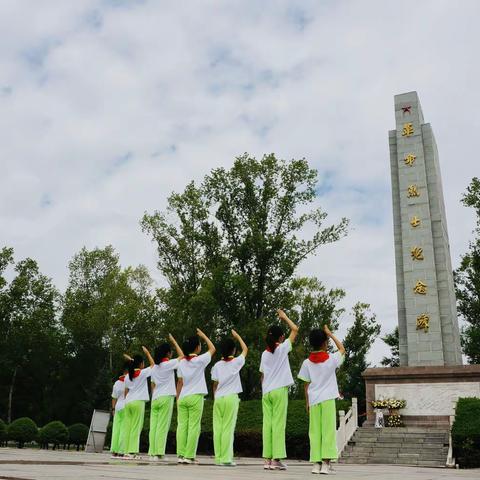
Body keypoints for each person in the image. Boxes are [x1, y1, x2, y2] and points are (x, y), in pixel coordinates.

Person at [298, 325, 345, 475]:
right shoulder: (331, 359)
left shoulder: (306, 362)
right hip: (327, 400)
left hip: (314, 401)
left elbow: (306, 384)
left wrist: (307, 403)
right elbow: (342, 349)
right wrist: (330, 334)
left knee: (315, 432)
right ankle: (326, 464)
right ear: (325, 343)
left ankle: (316, 465)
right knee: (328, 432)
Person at [260, 309, 298, 470]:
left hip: (266, 392)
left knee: (267, 424)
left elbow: (262, 375)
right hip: (279, 390)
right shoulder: (282, 348)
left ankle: (267, 460)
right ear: (281, 337)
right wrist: (284, 317)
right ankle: (276, 459)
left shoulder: (264, 353)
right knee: (278, 424)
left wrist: (264, 391)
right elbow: (295, 329)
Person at [176, 328, 216, 464]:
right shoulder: (200, 360)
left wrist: (177, 398)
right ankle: (189, 456)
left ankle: (181, 454)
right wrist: (204, 335)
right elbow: (212, 349)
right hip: (195, 397)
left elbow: (180, 382)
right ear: (197, 347)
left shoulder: (181, 362)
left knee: (182, 426)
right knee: (194, 426)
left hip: (182, 397)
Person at [211, 329, 248, 466]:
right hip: (231, 398)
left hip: (218, 398)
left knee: (218, 429)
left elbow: (214, 385)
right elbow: (245, 349)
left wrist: (216, 397)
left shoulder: (217, 365)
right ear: (233, 350)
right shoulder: (236, 362)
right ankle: (226, 459)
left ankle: (219, 458)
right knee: (228, 428)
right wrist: (237, 336)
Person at [148, 334, 184, 461]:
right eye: (171, 352)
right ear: (167, 353)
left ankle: (152, 453)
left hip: (156, 398)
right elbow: (182, 356)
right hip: (166, 397)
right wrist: (174, 341)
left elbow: (152, 385)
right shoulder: (168, 364)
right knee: (162, 426)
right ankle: (159, 454)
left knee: (154, 426)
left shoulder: (154, 368)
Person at [123, 346, 154, 459]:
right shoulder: (143, 373)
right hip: (138, 402)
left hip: (128, 402)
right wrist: (147, 353)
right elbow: (153, 366)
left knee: (128, 427)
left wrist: (132, 360)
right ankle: (132, 452)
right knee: (136, 427)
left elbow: (126, 390)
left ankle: (126, 451)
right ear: (140, 363)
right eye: (143, 362)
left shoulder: (127, 376)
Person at [110, 362, 129, 458]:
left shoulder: (117, 383)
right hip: (126, 406)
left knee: (116, 429)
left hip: (117, 407)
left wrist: (113, 409)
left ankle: (114, 450)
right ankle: (122, 450)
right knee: (124, 429)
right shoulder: (129, 381)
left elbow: (114, 397)